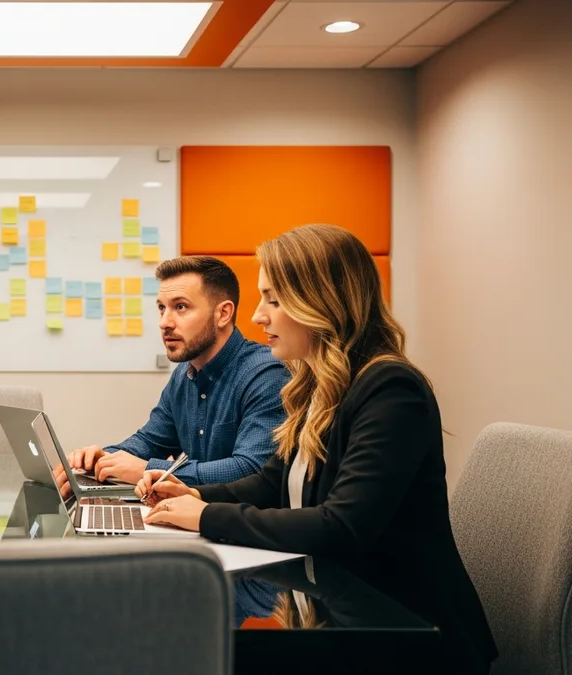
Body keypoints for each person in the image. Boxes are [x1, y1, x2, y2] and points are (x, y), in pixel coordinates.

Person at [136, 224, 497, 673]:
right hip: (342, 613)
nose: (258, 316)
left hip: (412, 640)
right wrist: (195, 496)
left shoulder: (389, 389)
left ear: (319, 301)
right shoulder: (319, 387)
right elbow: (273, 482)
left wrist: (207, 517)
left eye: (273, 299)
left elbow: (342, 525)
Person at [65, 256, 288, 489]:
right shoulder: (185, 373)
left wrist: (148, 470)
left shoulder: (267, 374)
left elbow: (251, 470)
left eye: (180, 307)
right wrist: (101, 460)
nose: (164, 322)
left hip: (234, 521)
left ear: (223, 314)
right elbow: (149, 440)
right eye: (162, 308)